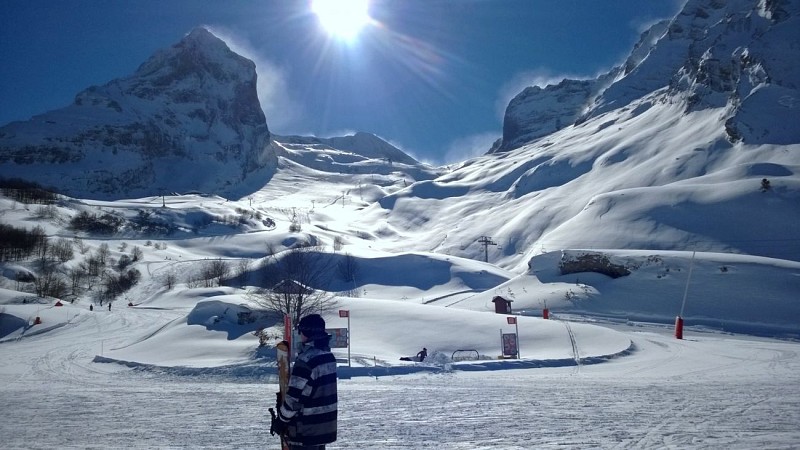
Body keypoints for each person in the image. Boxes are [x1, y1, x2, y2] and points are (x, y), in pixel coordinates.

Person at [271, 314, 337, 449]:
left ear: (306, 333)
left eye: (300, 331)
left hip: (305, 432)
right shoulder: (329, 357)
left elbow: (294, 399)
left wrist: (281, 420)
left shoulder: (306, 361)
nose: (299, 335)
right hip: (323, 429)